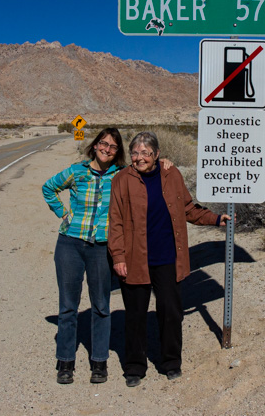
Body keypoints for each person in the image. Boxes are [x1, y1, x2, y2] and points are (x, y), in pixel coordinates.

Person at [41, 128, 173, 385]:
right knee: (68, 306)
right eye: (103, 144)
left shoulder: (122, 175)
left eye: (113, 147)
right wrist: (64, 214)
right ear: (94, 145)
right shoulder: (76, 171)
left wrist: (166, 162)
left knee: (101, 305)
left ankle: (99, 362)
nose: (107, 149)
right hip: (70, 244)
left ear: (117, 152)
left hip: (102, 248)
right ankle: (65, 362)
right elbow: (49, 188)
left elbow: (149, 171)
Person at [107, 131, 231, 387]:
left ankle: (171, 362)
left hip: (167, 258)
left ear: (157, 154)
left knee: (171, 313)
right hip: (134, 259)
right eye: (135, 153)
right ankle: (134, 367)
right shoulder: (122, 179)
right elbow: (115, 221)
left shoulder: (171, 174)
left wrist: (216, 219)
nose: (139, 158)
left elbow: (187, 208)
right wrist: (118, 256)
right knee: (136, 315)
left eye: (145, 153)